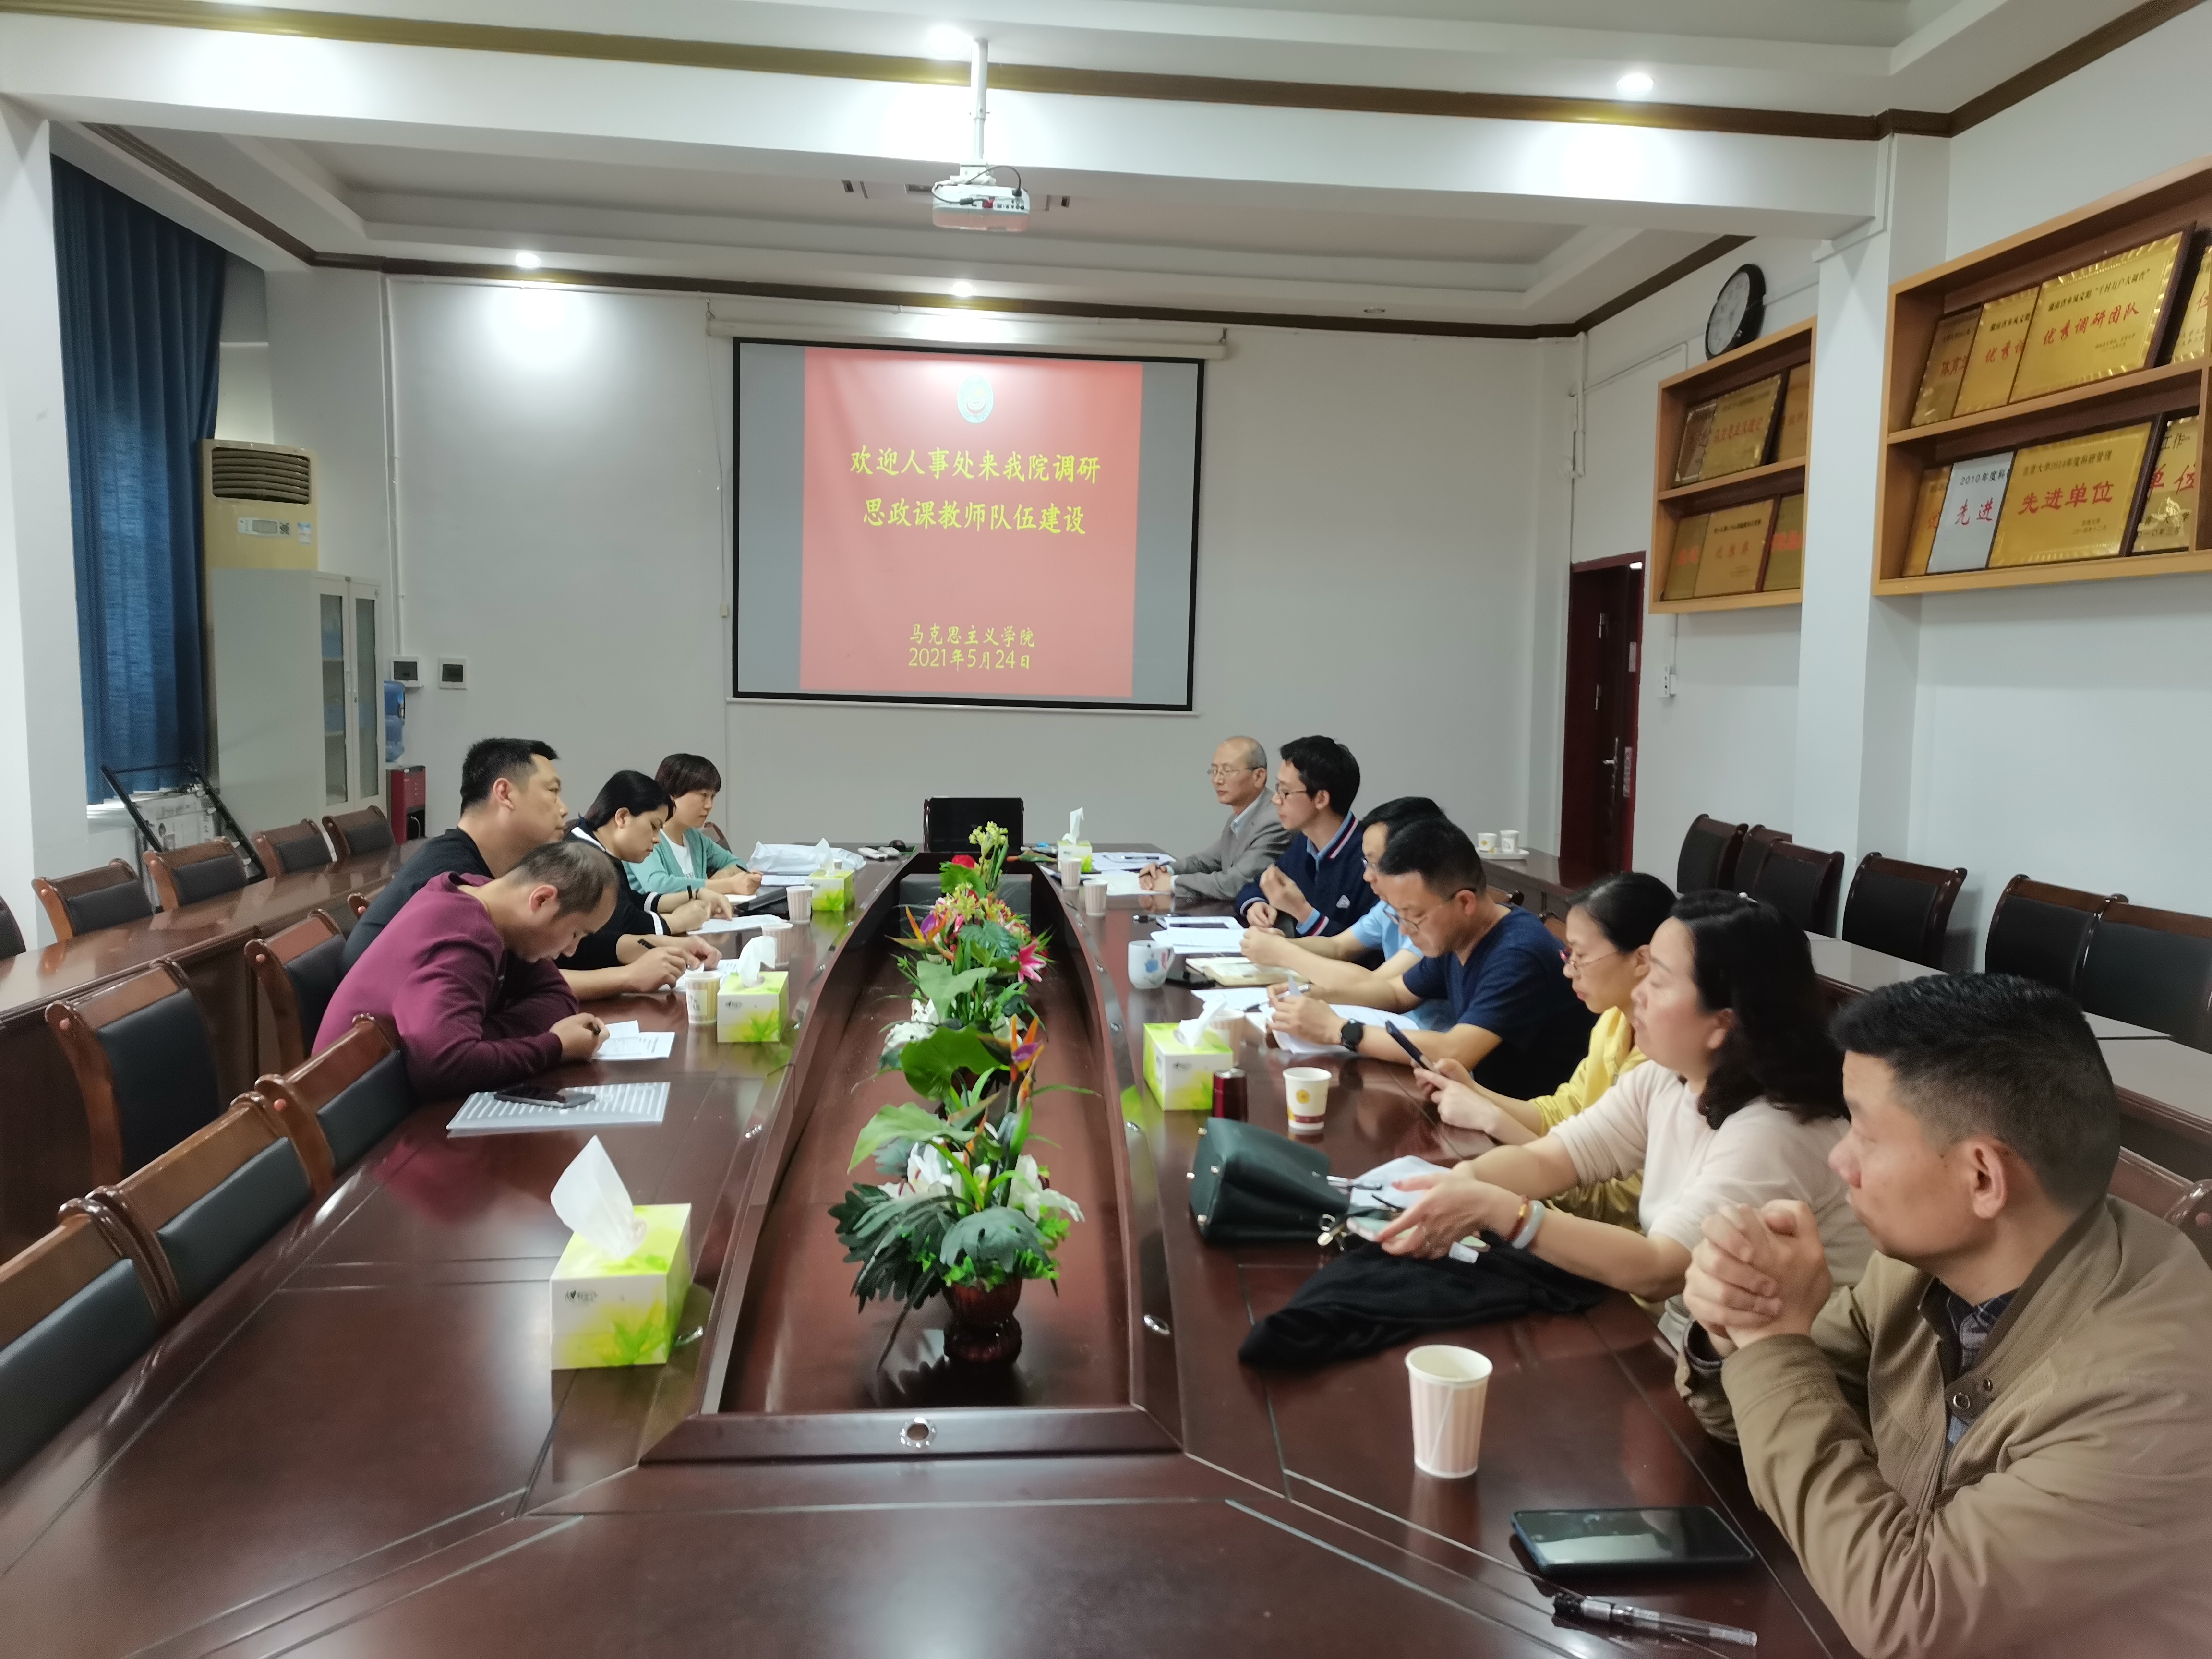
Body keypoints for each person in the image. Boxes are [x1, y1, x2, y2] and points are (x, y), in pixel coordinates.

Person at [1679, 974, 2212, 1659]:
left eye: (1865, 1134)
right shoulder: (1921, 1268)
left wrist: (1771, 1340)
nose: (1840, 1161)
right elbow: (1753, 1418)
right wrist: (1736, 1322)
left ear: (1983, 1177)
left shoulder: (2153, 1395)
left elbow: (1909, 1615)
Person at [1376, 890, 1871, 1350]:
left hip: (1760, 1370)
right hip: (1687, 1341)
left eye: (1659, 980)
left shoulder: (1776, 1130)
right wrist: (1465, 1181)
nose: (1640, 993)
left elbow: (1661, 1268)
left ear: (1723, 1022)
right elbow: (1555, 1158)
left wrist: (1506, 1212)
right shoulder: (1668, 1075)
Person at [1412, 869, 1677, 1228]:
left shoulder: (1668, 1061)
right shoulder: (1613, 1020)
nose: (1569, 971)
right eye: (1569, 954)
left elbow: (1614, 1201)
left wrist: (1493, 1119)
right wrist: (1473, 1091)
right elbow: (1563, 1110)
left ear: (1642, 960)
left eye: (1581, 956)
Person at [1270, 817, 1591, 1090]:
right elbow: (1396, 993)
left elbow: (1456, 1051)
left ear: (1465, 902)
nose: (1405, 930)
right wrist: (1317, 996)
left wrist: (1338, 1029)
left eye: (1414, 916)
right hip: (1479, 1101)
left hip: (1531, 1121)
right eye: (1398, 915)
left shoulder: (1518, 953)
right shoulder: (1459, 934)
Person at [316, 840, 614, 1097]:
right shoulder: (464, 935)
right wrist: (554, 1047)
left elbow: (559, 997)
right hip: (350, 1111)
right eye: (576, 933)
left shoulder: (489, 900)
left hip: (393, 1091)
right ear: (542, 899)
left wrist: (479, 1038)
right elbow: (444, 1066)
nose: (571, 950)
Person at [342, 737, 568, 971]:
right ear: (505, 793)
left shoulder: (467, 861)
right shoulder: (452, 880)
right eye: (553, 791)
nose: (564, 809)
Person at [1238, 795, 1453, 1026]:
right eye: (1366, 863)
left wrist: (1284, 953)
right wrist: (1279, 943)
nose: (1367, 876)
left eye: (1376, 864)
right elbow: (1338, 946)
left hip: (1425, 1032)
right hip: (1393, 1024)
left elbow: (1377, 987)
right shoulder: (1388, 905)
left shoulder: (1436, 919)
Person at [562, 771, 725, 975]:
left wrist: (693, 895)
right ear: (622, 817)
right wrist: (675, 922)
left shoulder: (600, 849)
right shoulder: (583, 859)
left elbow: (630, 901)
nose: (657, 839)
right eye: (654, 827)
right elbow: (620, 923)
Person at [1232, 735, 1375, 937]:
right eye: (1278, 789)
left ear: (1321, 799)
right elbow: (1257, 886)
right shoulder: (1305, 843)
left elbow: (1368, 949)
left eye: (1285, 792)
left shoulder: (1369, 858)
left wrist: (1303, 913)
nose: (1276, 800)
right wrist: (1256, 904)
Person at [1137, 737, 1290, 902]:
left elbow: (1236, 883)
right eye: (1215, 771)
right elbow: (1204, 862)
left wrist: (1173, 883)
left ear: (1258, 777)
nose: (1218, 780)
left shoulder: (1275, 821)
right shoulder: (1240, 818)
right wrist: (1165, 871)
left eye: (1227, 771)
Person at [625, 752, 761, 901]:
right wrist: (728, 885)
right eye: (703, 795)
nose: (709, 805)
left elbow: (737, 864)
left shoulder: (694, 837)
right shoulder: (647, 836)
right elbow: (658, 886)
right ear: (673, 794)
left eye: (712, 797)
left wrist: (719, 880)